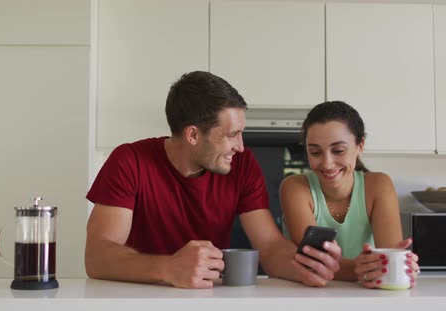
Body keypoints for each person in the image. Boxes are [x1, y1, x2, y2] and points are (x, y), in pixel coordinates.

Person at [85, 71, 341, 289]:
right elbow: (97, 256)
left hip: (209, 298)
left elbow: (271, 247)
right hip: (137, 299)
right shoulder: (130, 161)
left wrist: (306, 267)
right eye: (232, 135)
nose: (240, 147)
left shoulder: (243, 165)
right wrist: (169, 268)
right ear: (193, 135)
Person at [279, 101, 420, 288]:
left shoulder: (379, 186)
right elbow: (317, 263)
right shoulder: (295, 188)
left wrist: (402, 266)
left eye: (338, 151)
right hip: (309, 297)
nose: (327, 163)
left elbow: (390, 262)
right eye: (315, 152)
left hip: (366, 297)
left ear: (360, 145)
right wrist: (367, 270)